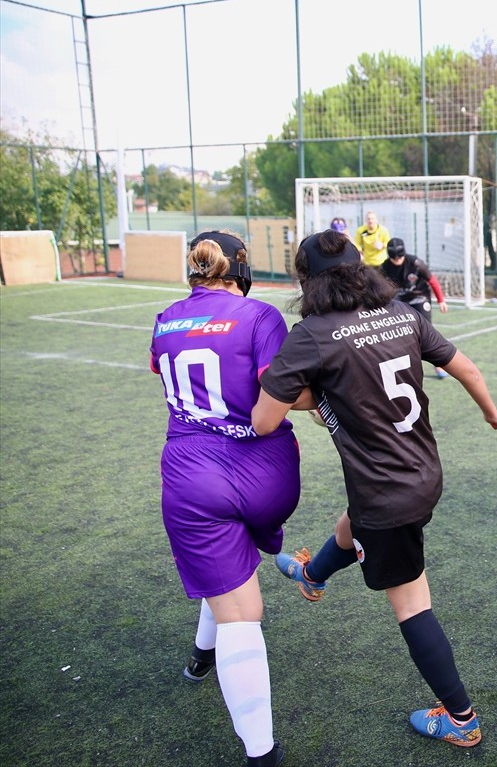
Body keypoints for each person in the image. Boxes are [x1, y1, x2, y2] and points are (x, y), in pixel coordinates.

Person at [251, 229, 497, 751]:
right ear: (360, 270)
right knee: (353, 523)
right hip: (423, 473)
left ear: (307, 281)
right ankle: (313, 575)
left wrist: (288, 390)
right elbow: (464, 366)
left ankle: (461, 717)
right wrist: (491, 410)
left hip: (386, 492)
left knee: (412, 602)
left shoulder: (312, 334)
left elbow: (263, 421)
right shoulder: (404, 315)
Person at [150, 231, 299, 767]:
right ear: (243, 268)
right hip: (267, 474)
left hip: (194, 474)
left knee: (239, 611)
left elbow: (168, 371)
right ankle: (199, 655)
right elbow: (284, 392)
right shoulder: (260, 315)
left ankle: (262, 754)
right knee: (230, 577)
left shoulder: (166, 317)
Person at [381, 237, 451, 378]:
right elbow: (378, 288)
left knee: (427, 332)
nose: (397, 261)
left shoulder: (416, 263)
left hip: (419, 297)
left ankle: (438, 366)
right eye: (394, 259)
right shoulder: (384, 267)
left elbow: (432, 280)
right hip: (399, 300)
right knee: (396, 333)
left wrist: (441, 300)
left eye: (399, 258)